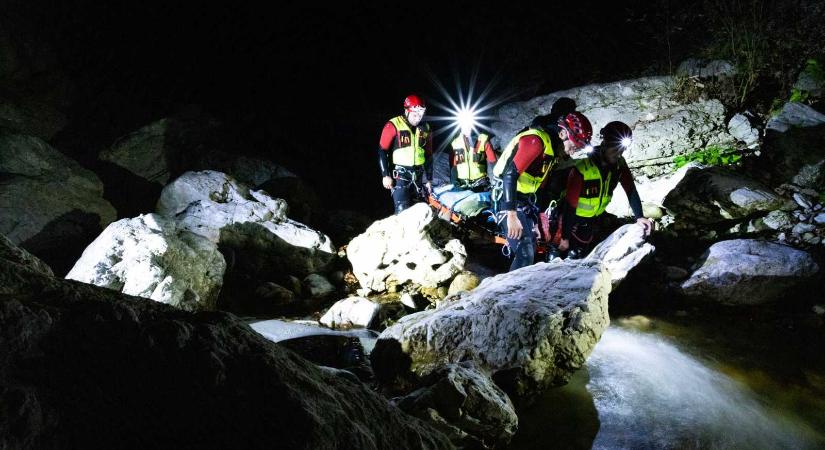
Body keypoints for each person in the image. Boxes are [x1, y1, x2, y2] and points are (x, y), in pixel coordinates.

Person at [492, 111, 593, 271]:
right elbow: (509, 176)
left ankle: (518, 289)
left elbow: (540, 186)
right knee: (525, 251)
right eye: (574, 145)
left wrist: (538, 217)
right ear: (562, 133)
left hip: (524, 202)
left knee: (531, 246)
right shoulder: (535, 141)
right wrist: (511, 215)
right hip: (507, 199)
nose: (573, 152)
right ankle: (509, 294)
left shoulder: (551, 152)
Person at [557, 121, 654, 259]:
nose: (619, 154)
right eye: (615, 149)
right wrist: (565, 237)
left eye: (622, 150)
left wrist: (639, 217)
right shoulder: (583, 167)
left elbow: (630, 190)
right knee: (568, 255)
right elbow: (570, 205)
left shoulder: (619, 165)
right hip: (573, 221)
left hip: (595, 218)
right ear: (605, 144)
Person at [377, 94, 433, 214]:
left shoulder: (426, 128)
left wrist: (429, 179)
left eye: (421, 114)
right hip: (401, 177)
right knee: (402, 212)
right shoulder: (393, 125)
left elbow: (428, 155)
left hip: (418, 177)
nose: (418, 118)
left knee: (420, 212)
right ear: (406, 111)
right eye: (414, 114)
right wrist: (385, 175)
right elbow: (382, 150)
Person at [449, 126, 498, 191]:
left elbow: (493, 161)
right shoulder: (455, 143)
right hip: (462, 185)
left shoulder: (482, 140)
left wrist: (498, 178)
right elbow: (454, 166)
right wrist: (454, 182)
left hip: (480, 184)